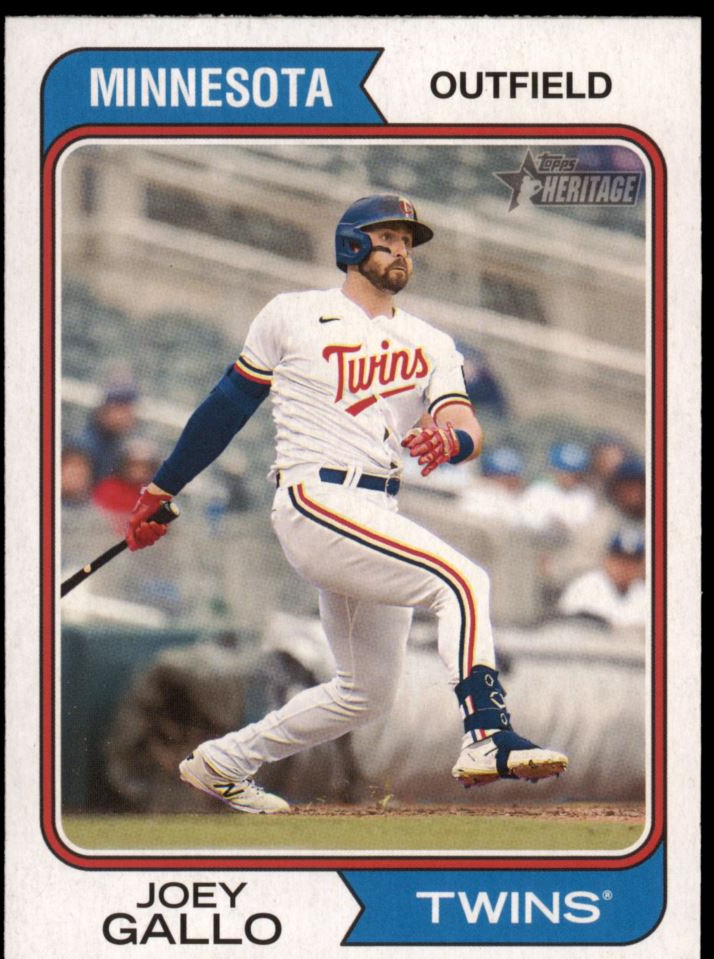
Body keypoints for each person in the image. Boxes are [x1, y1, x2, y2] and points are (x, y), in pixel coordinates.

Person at [125, 194, 568, 814]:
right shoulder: (293, 313)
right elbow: (227, 406)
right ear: (351, 244)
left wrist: (454, 440)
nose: (401, 252)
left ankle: (224, 760)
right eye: (388, 239)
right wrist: (162, 488)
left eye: (408, 243)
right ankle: (488, 735)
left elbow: (465, 423)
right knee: (463, 581)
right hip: (316, 496)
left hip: (377, 509)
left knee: (366, 694)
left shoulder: (431, 342)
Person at [557, 526, 646, 629]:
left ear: (641, 565)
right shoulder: (583, 588)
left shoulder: (645, 594)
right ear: (607, 560)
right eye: (620, 560)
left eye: (632, 561)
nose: (625, 567)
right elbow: (565, 628)